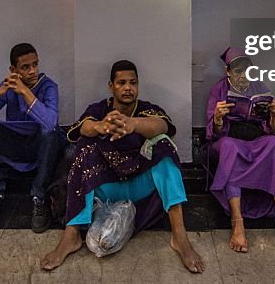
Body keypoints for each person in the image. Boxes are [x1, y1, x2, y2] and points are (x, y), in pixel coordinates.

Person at [40, 60, 204, 274]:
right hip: (106, 187)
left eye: (132, 82)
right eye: (122, 82)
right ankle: (71, 235)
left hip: (139, 186)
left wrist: (133, 124)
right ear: (111, 86)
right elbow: (82, 127)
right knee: (84, 146)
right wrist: (100, 126)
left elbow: (163, 125)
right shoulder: (99, 109)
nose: (128, 87)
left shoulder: (146, 110)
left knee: (164, 147)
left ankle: (179, 236)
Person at [206, 47, 275, 252]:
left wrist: (274, 116)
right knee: (229, 148)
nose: (242, 75)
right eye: (237, 71)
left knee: (274, 145)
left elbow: (274, 130)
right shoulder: (218, 90)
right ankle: (237, 220)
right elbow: (213, 133)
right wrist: (218, 118)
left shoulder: (260, 87)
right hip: (229, 138)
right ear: (228, 71)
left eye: (247, 71)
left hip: (256, 138)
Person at [0, 42, 64, 232]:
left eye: (35, 65)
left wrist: (25, 92)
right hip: (16, 145)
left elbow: (50, 122)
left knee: (51, 133)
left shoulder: (48, 86)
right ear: (13, 70)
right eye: (25, 67)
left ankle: (39, 197)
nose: (32, 71)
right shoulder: (8, 87)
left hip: (41, 146)